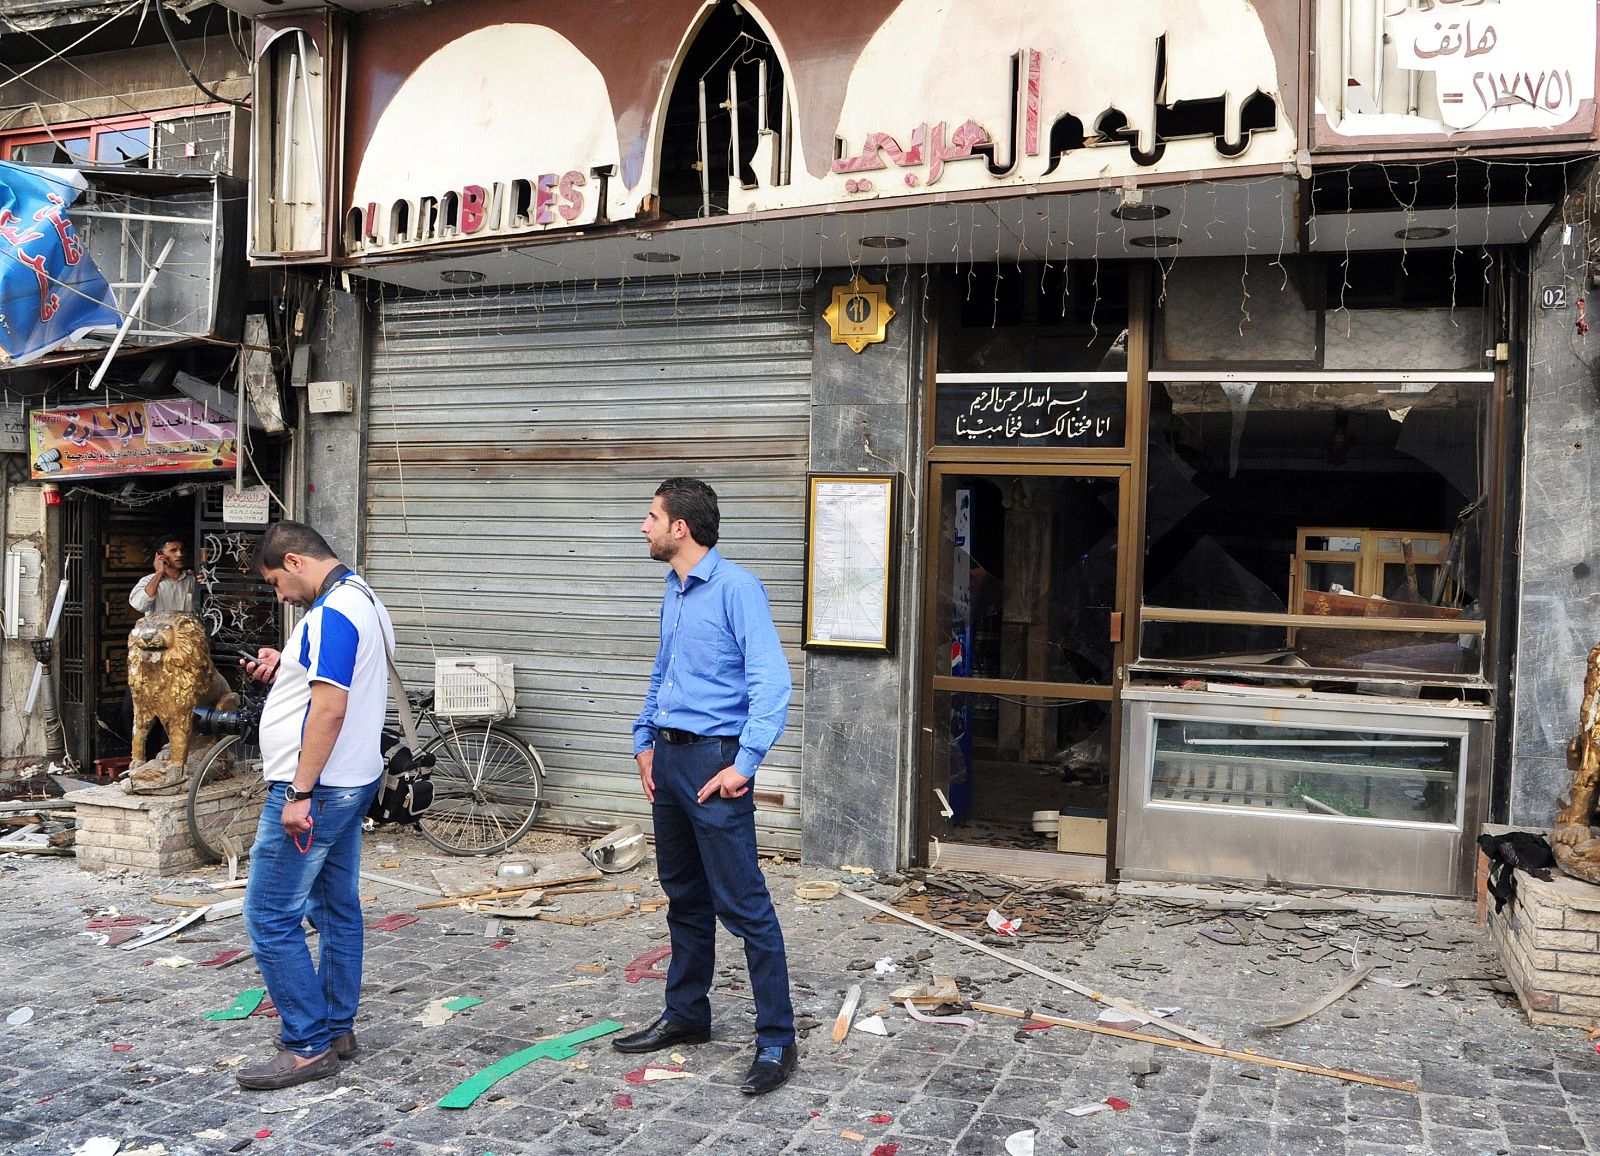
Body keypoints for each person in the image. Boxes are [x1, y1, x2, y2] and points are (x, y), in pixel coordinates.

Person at [615, 477, 798, 1095]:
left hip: (716, 763)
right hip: (669, 762)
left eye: (651, 516)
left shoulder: (738, 589)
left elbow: (772, 682)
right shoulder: (674, 589)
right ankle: (687, 1014)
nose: (643, 527)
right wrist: (644, 741)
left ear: (680, 528)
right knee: (684, 898)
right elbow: (663, 673)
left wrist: (744, 765)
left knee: (744, 905)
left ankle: (777, 1039)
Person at [233, 520, 395, 1092]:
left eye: (275, 582)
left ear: (295, 562)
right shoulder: (362, 597)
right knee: (334, 909)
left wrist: (299, 792)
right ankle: (336, 1029)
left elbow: (330, 709)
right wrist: (289, 666)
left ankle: (307, 1044)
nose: (279, 595)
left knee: (269, 916)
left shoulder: (333, 614)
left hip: (318, 789)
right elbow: (331, 680)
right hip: (350, 781)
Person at [122, 533, 197, 756]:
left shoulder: (192, 581)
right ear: (161, 556)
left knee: (177, 706)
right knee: (133, 708)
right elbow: (139, 604)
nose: (180, 554)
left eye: (181, 550)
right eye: (173, 550)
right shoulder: (149, 582)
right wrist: (158, 574)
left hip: (181, 654)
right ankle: (146, 753)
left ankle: (171, 754)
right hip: (153, 654)